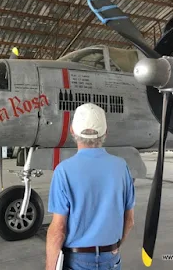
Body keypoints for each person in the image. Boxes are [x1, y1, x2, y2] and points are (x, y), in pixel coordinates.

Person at [46, 103, 135, 270]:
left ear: (72, 131)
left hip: (77, 260)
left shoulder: (63, 171)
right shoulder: (121, 167)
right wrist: (113, 247)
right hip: (111, 258)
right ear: (105, 132)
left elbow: (58, 228)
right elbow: (129, 220)